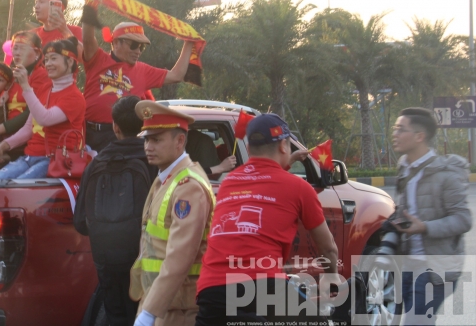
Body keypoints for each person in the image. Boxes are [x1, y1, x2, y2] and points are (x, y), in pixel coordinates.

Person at [195, 113, 339, 326]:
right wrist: (332, 279)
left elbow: (264, 177)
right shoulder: (299, 188)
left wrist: (287, 162)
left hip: (211, 291)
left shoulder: (229, 182)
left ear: (250, 147)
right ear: (283, 145)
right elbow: (328, 250)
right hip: (262, 287)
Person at [129, 101, 215, 326]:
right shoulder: (166, 179)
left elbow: (180, 258)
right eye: (147, 139)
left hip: (179, 308)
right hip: (163, 302)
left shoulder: (188, 186)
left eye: (156, 140)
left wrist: (149, 312)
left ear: (180, 141)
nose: (148, 146)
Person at [74, 96, 154, 326]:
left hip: (105, 260)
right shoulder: (155, 160)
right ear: (146, 124)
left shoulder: (96, 164)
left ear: (115, 126)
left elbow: (80, 222)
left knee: (116, 317)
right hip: (145, 260)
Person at [390, 107, 471, 326]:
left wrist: (424, 227)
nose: (394, 134)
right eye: (395, 128)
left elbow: (463, 219)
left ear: (419, 136)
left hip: (436, 269)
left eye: (400, 129)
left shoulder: (446, 175)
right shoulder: (404, 168)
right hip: (408, 265)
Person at [81, 10, 195, 152]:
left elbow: (176, 75)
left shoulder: (143, 70)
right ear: (116, 43)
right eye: (134, 45)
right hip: (87, 135)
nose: (138, 51)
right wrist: (90, 6)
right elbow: (87, 38)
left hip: (121, 137)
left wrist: (189, 42)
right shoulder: (98, 59)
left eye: (142, 47)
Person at [0, 38, 86, 184]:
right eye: (47, 59)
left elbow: (45, 119)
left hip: (52, 160)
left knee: (15, 190)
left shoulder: (75, 97)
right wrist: (2, 146)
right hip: (29, 157)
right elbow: (28, 129)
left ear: (70, 62)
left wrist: (26, 86)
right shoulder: (44, 89)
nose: (48, 64)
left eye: (54, 59)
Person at [0, 31, 52, 157]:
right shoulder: (12, 75)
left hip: (25, 138)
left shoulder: (42, 75)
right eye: (15, 48)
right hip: (4, 133)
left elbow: (31, 114)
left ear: (37, 53)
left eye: (23, 49)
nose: (17, 53)